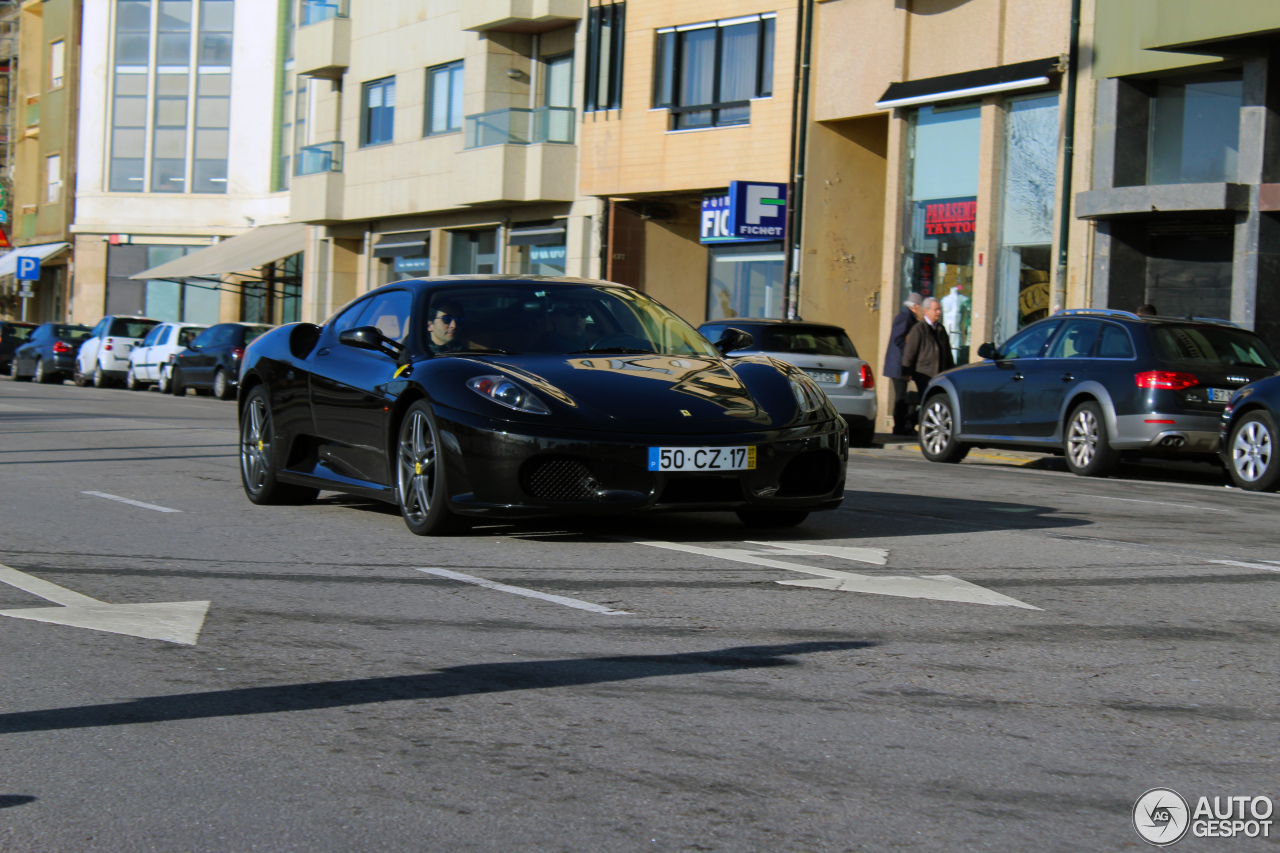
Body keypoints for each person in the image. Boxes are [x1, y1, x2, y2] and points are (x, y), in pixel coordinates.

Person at [901, 296, 955, 407]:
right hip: (923, 375)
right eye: (936, 309)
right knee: (920, 405)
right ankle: (909, 423)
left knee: (935, 404)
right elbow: (910, 353)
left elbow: (947, 354)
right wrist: (906, 372)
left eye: (939, 309)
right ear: (926, 311)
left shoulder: (941, 329)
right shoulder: (919, 329)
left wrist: (952, 371)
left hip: (939, 376)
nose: (939, 312)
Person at [883, 292, 923, 435]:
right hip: (899, 365)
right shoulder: (905, 317)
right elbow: (898, 339)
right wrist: (909, 348)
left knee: (903, 397)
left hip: (900, 365)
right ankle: (899, 428)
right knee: (900, 397)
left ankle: (903, 426)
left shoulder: (908, 317)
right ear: (915, 306)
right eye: (920, 307)